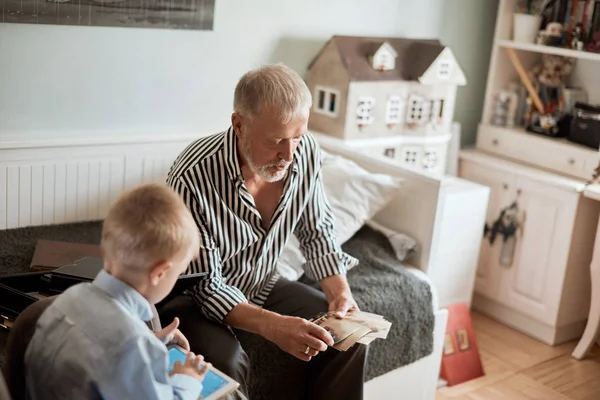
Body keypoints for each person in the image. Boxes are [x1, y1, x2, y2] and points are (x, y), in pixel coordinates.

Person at [162, 63, 366, 400]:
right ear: (239, 125)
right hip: (193, 298)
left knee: (349, 337)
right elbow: (205, 285)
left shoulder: (306, 152)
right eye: (275, 142)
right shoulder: (192, 176)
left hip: (260, 282)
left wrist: (339, 292)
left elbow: (317, 231)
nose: (288, 155)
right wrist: (273, 326)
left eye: (297, 138)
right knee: (226, 363)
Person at [25, 184, 210, 400]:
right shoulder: (132, 347)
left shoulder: (66, 300)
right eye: (180, 271)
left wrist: (147, 341)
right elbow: (120, 350)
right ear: (160, 272)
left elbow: (96, 351)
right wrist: (186, 381)